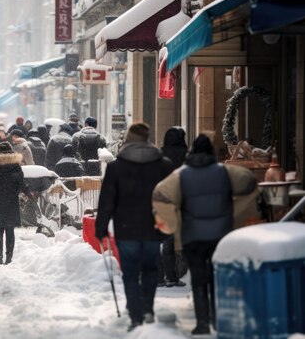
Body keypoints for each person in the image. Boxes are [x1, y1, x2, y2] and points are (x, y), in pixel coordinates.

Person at [152, 134, 259, 335]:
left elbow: (160, 194)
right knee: (216, 277)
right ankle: (217, 318)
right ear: (210, 151)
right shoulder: (225, 172)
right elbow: (249, 182)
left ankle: (202, 322)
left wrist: (173, 223)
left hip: (193, 236)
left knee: (199, 278)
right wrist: (236, 211)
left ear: (191, 151)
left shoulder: (180, 175)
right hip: (220, 236)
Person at [95, 123, 174, 331]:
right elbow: (171, 197)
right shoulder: (163, 165)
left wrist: (101, 228)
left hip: (125, 227)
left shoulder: (115, 167)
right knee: (150, 268)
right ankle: (147, 308)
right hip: (153, 227)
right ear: (148, 139)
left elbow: (107, 202)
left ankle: (136, 316)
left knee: (130, 272)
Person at [158, 127, 189, 288]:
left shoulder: (160, 155)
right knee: (172, 240)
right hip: (181, 199)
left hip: (162, 199)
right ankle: (172, 275)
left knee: (159, 238)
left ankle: (159, 277)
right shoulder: (186, 155)